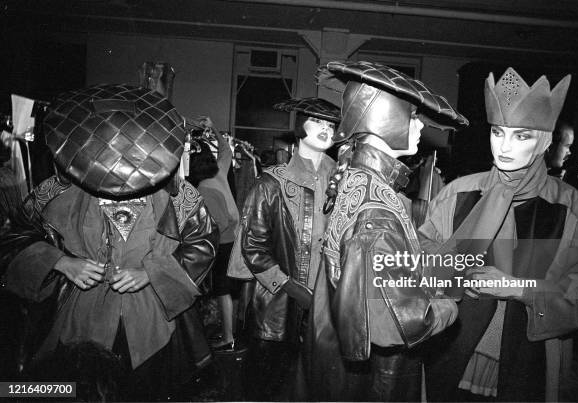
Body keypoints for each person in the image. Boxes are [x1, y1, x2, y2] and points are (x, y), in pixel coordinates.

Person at [0, 84, 218, 400]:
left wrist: (152, 273)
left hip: (153, 326)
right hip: (78, 324)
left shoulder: (180, 195)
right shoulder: (56, 190)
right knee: (72, 391)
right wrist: (61, 262)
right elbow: (13, 236)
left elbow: (203, 244)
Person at [419, 67, 578, 401]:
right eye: (498, 132)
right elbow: (419, 260)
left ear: (545, 140)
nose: (504, 146)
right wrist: (451, 272)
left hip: (529, 362)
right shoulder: (458, 193)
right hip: (450, 357)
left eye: (521, 135)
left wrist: (521, 288)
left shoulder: (571, 208)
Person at [310, 60, 467, 401]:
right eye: (412, 116)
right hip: (379, 376)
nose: (420, 126)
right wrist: (450, 303)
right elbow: (400, 324)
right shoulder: (378, 209)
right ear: (386, 120)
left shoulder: (357, 176)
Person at [240, 97, 340, 400]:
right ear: (300, 126)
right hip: (278, 308)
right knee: (271, 388)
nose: (325, 129)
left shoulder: (345, 180)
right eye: (318, 121)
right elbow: (253, 247)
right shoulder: (271, 183)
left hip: (330, 305)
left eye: (331, 124)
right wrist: (291, 288)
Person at [189, 119, 241, 351]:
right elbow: (227, 150)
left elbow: (221, 221)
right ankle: (234, 332)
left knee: (222, 290)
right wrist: (216, 130)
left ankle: (228, 338)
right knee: (231, 288)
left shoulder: (203, 188)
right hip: (235, 239)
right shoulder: (220, 172)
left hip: (224, 242)